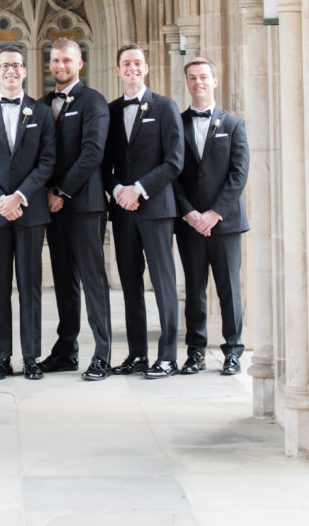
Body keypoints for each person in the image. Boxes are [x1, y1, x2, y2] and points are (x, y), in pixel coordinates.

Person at [0, 46, 56, 380]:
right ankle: (2, 356)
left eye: (16, 66)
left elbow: (47, 161)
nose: (10, 72)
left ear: (25, 71)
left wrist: (19, 196)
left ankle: (31, 356)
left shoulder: (41, 113)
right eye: (4, 66)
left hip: (30, 213)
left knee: (30, 286)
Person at [103, 44, 184, 378]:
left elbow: (174, 160)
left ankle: (167, 356)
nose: (132, 68)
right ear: (118, 71)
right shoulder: (108, 111)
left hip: (155, 209)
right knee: (129, 283)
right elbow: (102, 163)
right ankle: (137, 354)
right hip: (123, 211)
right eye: (126, 64)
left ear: (146, 68)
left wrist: (139, 189)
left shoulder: (165, 107)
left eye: (138, 63)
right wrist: (118, 190)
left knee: (163, 283)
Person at [38, 38, 112, 381]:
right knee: (64, 281)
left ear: (79, 63)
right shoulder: (40, 105)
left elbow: (92, 152)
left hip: (84, 205)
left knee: (93, 280)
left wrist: (62, 191)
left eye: (67, 59)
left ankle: (102, 354)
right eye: (55, 60)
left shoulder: (94, 102)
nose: (60, 65)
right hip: (52, 208)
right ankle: (66, 350)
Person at [175, 57, 250, 376]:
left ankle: (233, 350)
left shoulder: (233, 124)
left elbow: (239, 173)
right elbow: (172, 173)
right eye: (192, 78)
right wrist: (190, 213)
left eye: (203, 77)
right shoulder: (176, 123)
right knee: (194, 289)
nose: (198, 82)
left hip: (225, 223)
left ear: (214, 81)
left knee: (229, 289)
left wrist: (214, 213)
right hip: (190, 223)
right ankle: (195, 351)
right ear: (187, 83)